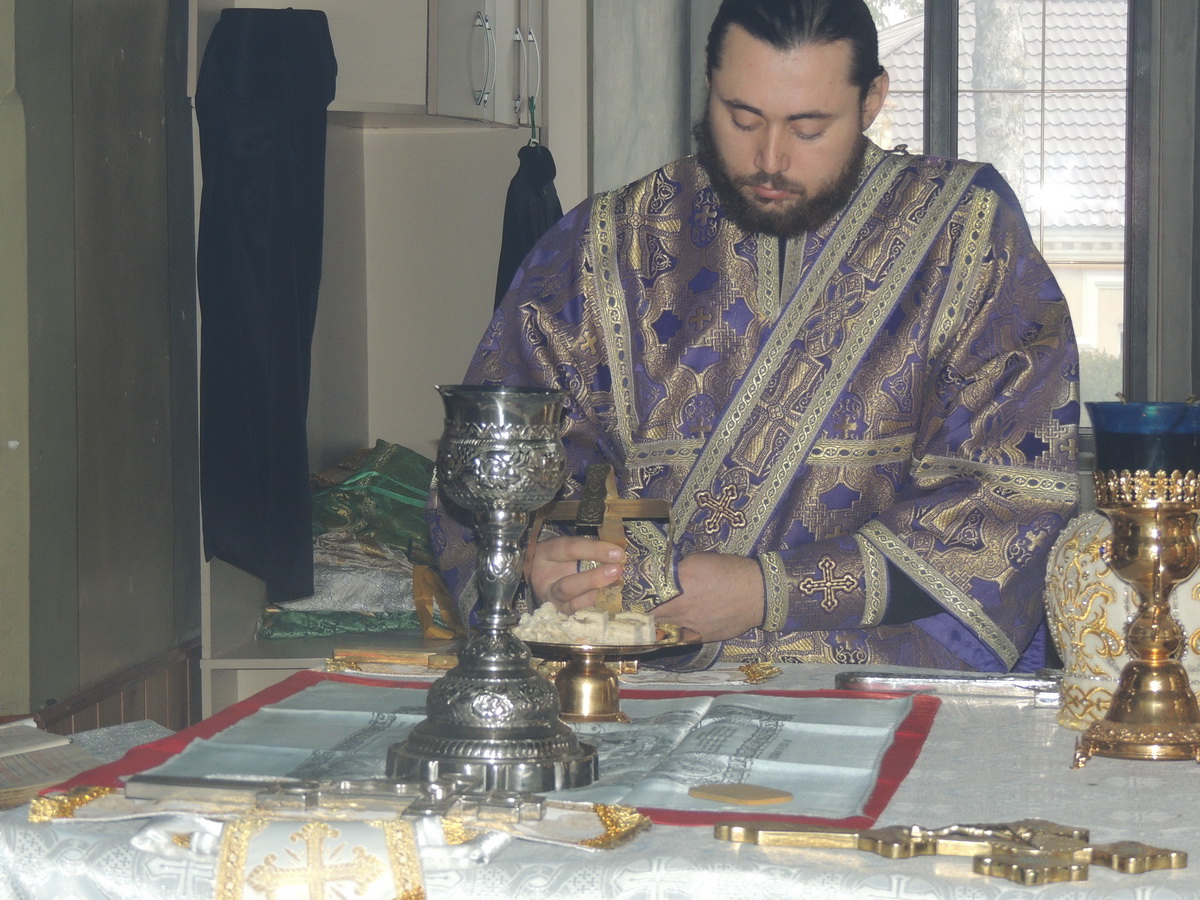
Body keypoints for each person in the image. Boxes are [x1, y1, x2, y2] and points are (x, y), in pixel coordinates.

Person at [427, 0, 1080, 672]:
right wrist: (537, 560)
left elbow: (1010, 503)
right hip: (633, 689)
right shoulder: (603, 245)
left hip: (877, 685)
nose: (770, 159)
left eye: (809, 127)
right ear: (708, 85)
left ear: (871, 100)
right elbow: (497, 469)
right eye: (742, 118)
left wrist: (767, 592)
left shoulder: (967, 240)